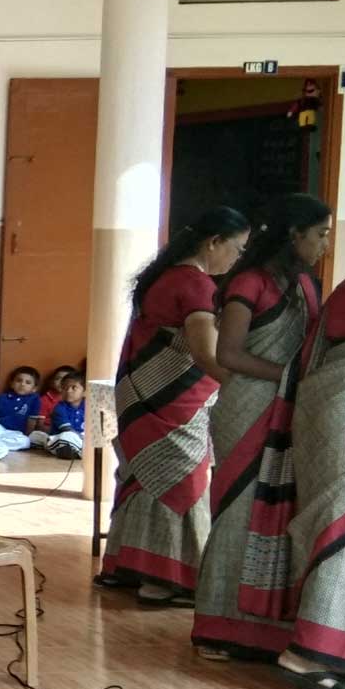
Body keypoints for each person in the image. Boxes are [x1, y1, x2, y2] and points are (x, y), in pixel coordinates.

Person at [193, 193, 335, 664]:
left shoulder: (307, 285)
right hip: (248, 406)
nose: (325, 244)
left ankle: (264, 631)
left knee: (274, 512)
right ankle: (218, 626)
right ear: (294, 234)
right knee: (238, 512)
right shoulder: (250, 281)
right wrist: (291, 378)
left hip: (289, 409)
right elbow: (229, 353)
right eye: (320, 234)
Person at [96, 207, 249, 607]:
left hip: (141, 395)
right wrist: (243, 387)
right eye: (237, 248)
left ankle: (127, 567)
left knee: (143, 477)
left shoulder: (162, 277)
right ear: (214, 242)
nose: (237, 259)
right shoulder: (196, 285)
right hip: (173, 401)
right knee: (182, 481)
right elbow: (204, 352)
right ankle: (164, 582)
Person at [284, 272, 345, 689]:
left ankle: (332, 652)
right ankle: (312, 654)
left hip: (322, 402)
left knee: (334, 527)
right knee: (341, 533)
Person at [36, 373, 86, 459]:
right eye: (64, 388)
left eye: (74, 388)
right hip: (64, 438)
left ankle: (77, 451)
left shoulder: (88, 407)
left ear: (85, 392)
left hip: (81, 439)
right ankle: (80, 452)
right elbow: (67, 429)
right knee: (66, 436)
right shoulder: (59, 408)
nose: (68, 391)